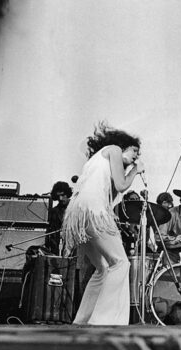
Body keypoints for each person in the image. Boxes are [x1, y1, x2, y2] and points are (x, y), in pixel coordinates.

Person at [61, 122, 144, 325]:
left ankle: (83, 320)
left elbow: (112, 193)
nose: (136, 157)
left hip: (79, 214)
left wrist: (127, 170)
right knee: (121, 263)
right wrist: (135, 171)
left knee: (102, 268)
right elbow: (122, 185)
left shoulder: (99, 159)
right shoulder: (114, 150)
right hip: (93, 211)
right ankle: (103, 320)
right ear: (124, 145)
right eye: (135, 151)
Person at [45, 181, 72, 255]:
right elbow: (52, 234)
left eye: (63, 195)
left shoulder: (76, 208)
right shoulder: (54, 211)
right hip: (58, 248)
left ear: (68, 194)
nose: (60, 198)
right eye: (58, 196)